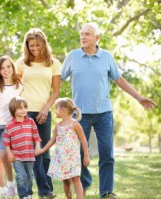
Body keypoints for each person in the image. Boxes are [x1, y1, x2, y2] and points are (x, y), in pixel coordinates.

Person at [60, 22, 156, 198]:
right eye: (81, 34)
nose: (82, 37)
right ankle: (85, 182)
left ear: (97, 38)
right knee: (79, 153)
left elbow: (119, 80)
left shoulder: (106, 57)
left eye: (87, 34)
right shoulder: (73, 56)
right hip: (79, 114)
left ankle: (106, 191)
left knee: (107, 154)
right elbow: (58, 78)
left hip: (104, 112)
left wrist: (139, 97)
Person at [16, 28, 61, 198]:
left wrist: (46, 108)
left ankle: (46, 189)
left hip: (43, 112)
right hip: (25, 113)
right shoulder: (21, 63)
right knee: (34, 152)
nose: (34, 48)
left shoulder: (53, 63)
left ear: (44, 44)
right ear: (27, 46)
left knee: (44, 152)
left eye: (37, 45)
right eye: (31, 45)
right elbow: (16, 87)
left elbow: (56, 91)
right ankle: (45, 191)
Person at [36, 98, 90, 199]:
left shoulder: (75, 124)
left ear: (63, 109)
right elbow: (52, 140)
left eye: (56, 108)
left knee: (76, 179)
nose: (55, 110)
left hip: (72, 158)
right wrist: (42, 150)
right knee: (65, 180)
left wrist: (86, 156)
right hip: (62, 158)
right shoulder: (58, 126)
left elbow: (83, 140)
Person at [0, 55, 23, 198]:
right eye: (2, 68)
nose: (6, 70)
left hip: (8, 127)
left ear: (13, 67)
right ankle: (2, 189)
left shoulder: (19, 87)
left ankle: (11, 185)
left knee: (5, 155)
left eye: (8, 66)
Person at [3, 96, 42, 199]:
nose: (24, 110)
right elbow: (6, 142)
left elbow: (36, 136)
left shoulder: (31, 122)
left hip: (29, 155)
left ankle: (29, 194)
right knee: (21, 176)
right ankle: (23, 195)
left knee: (29, 176)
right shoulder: (9, 125)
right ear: (13, 109)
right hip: (17, 156)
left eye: (25, 107)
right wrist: (9, 153)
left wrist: (37, 147)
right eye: (20, 108)